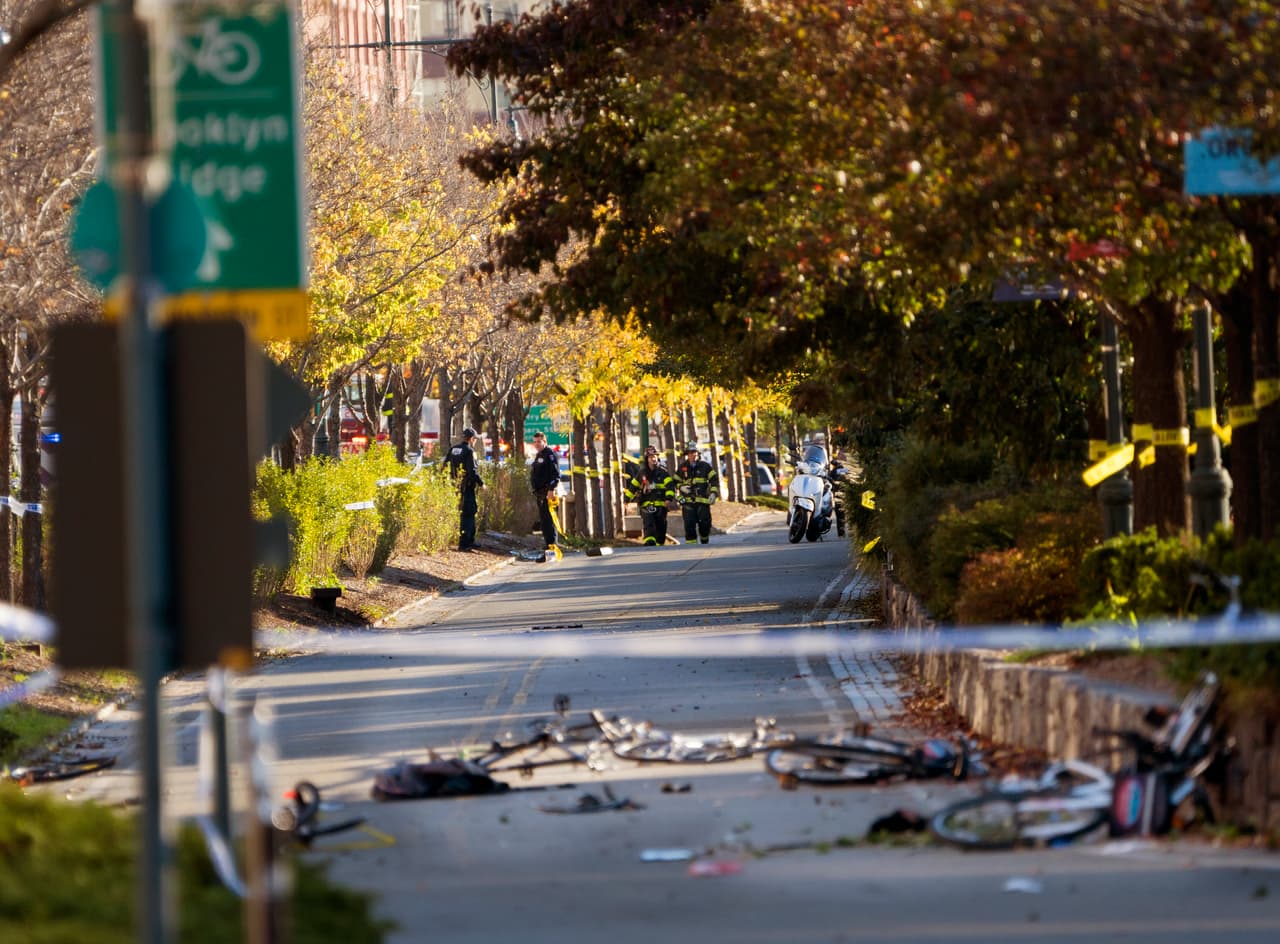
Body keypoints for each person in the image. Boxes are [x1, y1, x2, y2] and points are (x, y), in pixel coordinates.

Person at [623, 445, 676, 546]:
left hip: (661, 506)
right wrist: (626, 500)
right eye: (651, 457)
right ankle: (649, 542)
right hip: (646, 505)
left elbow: (670, 487)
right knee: (648, 523)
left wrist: (669, 499)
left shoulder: (663, 473)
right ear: (647, 459)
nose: (653, 458)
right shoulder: (641, 474)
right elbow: (632, 488)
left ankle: (659, 544)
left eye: (655, 456)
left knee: (661, 527)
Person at [445, 427, 484, 551]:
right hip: (467, 487)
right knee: (468, 513)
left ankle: (470, 540)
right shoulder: (469, 451)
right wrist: (481, 484)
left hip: (455, 485)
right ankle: (464, 543)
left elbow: (445, 465)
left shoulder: (453, 449)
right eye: (475, 439)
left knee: (467, 511)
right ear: (472, 439)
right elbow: (472, 471)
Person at [674, 441, 719, 544]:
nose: (692, 455)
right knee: (689, 526)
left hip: (702, 502)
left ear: (698, 453)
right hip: (688, 503)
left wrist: (713, 493)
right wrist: (681, 488)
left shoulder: (705, 467)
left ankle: (704, 541)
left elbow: (714, 480)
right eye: (690, 452)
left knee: (705, 525)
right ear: (687, 454)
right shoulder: (682, 468)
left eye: (694, 452)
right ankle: (691, 549)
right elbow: (674, 482)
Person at [528, 431, 561, 550]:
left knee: (549, 521)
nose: (536, 444)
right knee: (544, 521)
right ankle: (548, 545)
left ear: (545, 442)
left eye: (539, 442)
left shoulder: (550, 454)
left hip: (547, 493)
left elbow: (556, 475)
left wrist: (551, 489)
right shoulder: (539, 455)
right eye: (535, 442)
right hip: (540, 494)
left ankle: (552, 546)